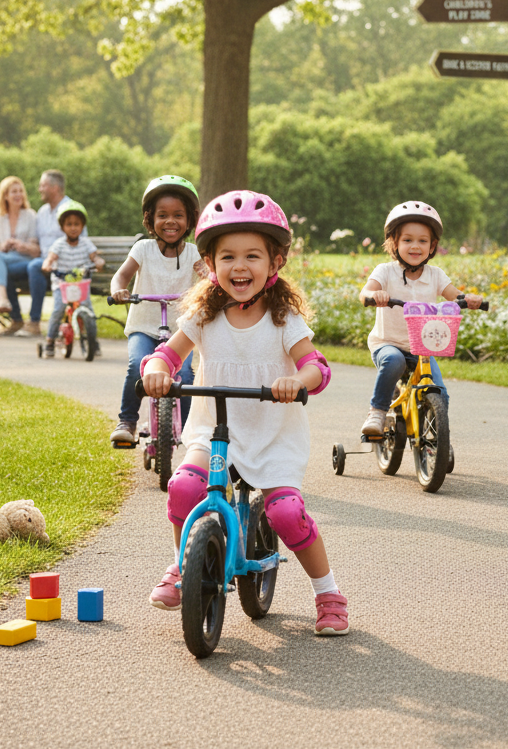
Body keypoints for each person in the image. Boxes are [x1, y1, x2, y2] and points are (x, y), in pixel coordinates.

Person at [141, 190, 344, 635]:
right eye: (228, 256)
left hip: (273, 437)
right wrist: (156, 371)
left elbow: (316, 367)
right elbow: (167, 355)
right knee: (183, 488)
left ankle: (328, 593)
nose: (240, 266)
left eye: (253, 256)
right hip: (213, 433)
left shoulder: (283, 318)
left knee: (286, 514)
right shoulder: (203, 314)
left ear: (275, 262)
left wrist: (298, 381)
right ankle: (181, 566)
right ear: (209, 263)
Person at [358, 201, 483, 438]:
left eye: (423, 241)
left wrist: (469, 299)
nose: (415, 246)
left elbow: (455, 295)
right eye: (407, 240)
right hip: (388, 344)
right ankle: (377, 412)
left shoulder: (435, 275)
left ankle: (434, 441)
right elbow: (365, 293)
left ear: (432, 246)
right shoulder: (385, 271)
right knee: (394, 361)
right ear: (394, 243)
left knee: (440, 393)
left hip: (422, 348)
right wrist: (375, 295)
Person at [109, 176, 203, 445]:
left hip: (180, 332)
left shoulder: (194, 253)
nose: (170, 221)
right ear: (150, 220)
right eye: (162, 215)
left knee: (185, 375)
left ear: (189, 220)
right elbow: (121, 276)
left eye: (178, 215)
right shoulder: (143, 249)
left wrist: (212, 282)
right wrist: (119, 290)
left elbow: (207, 275)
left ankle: (188, 429)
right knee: (137, 367)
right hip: (143, 327)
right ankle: (127, 421)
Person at [23, 169, 88, 337]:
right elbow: (36, 241)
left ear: (55, 188)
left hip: (67, 264)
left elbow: (82, 240)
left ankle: (34, 322)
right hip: (45, 263)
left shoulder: (71, 210)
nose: (40, 189)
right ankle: (17, 320)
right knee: (9, 269)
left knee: (34, 267)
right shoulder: (42, 212)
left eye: (43, 185)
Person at [0, 176, 39, 337]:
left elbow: (35, 250)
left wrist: (21, 245)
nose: (18, 195)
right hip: (2, 261)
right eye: (14, 192)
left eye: (20, 191)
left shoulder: (30, 215)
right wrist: (2, 246)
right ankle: (1, 316)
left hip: (24, 260)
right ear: (5, 196)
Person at [40, 201, 104, 356]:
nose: (73, 228)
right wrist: (47, 264)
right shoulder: (59, 244)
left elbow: (94, 257)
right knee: (58, 309)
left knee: (88, 310)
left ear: (82, 226)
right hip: (62, 285)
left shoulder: (86, 243)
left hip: (80, 285)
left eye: (77, 224)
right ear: (62, 227)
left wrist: (98, 261)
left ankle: (93, 341)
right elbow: (51, 257)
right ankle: (50, 341)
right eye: (69, 224)